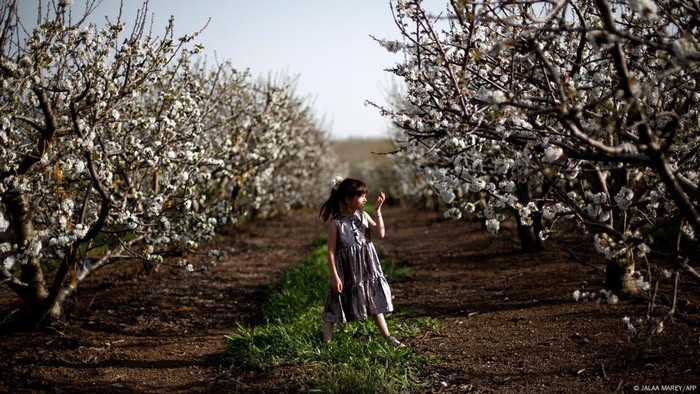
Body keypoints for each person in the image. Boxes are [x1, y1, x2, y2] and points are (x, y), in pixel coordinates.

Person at [319, 177, 404, 347]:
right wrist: (335, 276)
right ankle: (326, 343)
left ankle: (388, 337)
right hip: (346, 269)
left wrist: (378, 210)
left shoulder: (363, 216)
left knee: (373, 298)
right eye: (361, 196)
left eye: (365, 196)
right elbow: (330, 251)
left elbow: (380, 233)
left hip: (366, 267)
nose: (365, 199)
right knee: (335, 301)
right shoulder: (337, 223)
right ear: (348, 199)